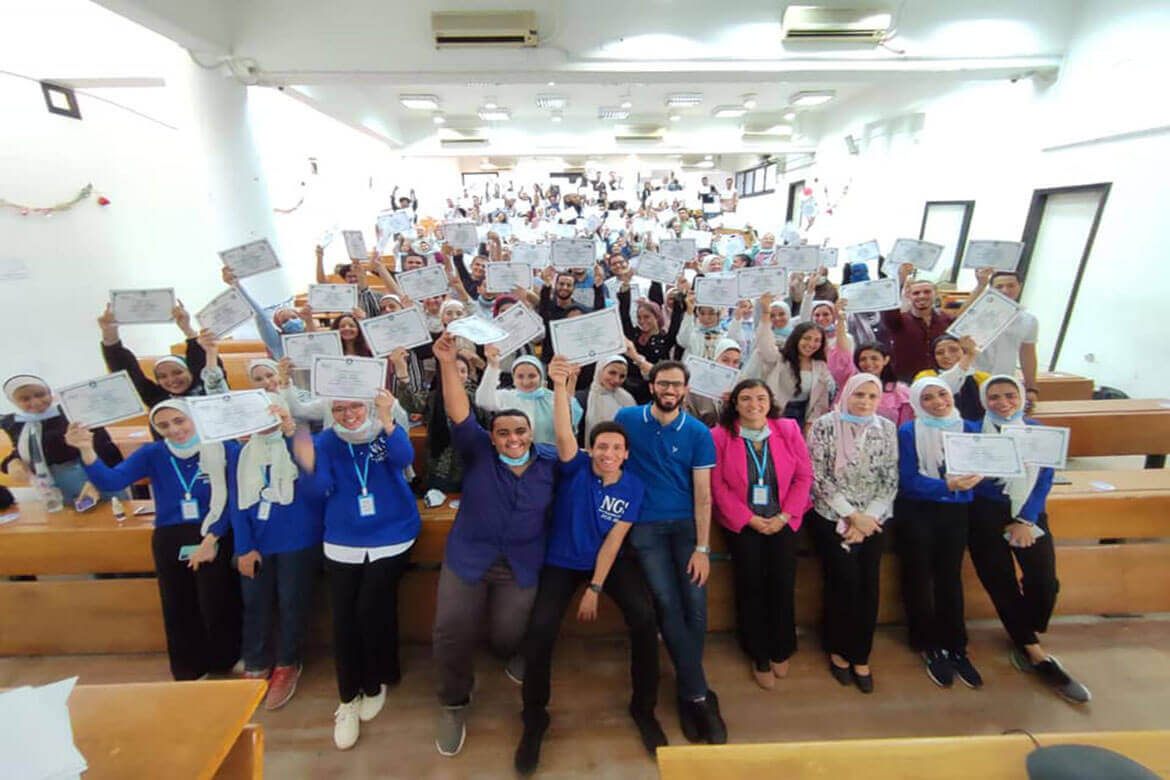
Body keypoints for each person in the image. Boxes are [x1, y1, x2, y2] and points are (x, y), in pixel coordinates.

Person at [514, 357, 663, 774]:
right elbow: (563, 432)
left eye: (617, 447)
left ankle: (644, 709)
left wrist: (596, 587)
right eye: (602, 446)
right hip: (561, 562)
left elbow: (615, 540)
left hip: (608, 564)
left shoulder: (634, 486)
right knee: (541, 628)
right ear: (591, 449)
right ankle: (534, 718)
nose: (609, 453)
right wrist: (560, 384)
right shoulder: (576, 466)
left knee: (643, 616)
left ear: (626, 453)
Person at [431, 331, 559, 758]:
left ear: (530, 431)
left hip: (521, 565)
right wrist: (449, 363)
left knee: (508, 636)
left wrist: (564, 386)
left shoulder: (549, 462)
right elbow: (460, 414)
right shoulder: (478, 451)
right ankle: (453, 702)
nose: (513, 439)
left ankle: (510, 653)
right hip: (468, 560)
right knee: (450, 630)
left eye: (519, 431)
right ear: (493, 437)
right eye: (503, 432)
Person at [66, 400, 241, 680]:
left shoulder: (224, 447)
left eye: (179, 421)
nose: (174, 430)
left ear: (193, 418)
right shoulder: (153, 453)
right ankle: (189, 668)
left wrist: (212, 538)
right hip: (171, 534)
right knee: (177, 604)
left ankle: (224, 660)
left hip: (214, 531)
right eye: (164, 425)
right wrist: (87, 449)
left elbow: (234, 497)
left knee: (218, 600)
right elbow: (112, 482)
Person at [291, 389, 420, 750]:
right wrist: (305, 459)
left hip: (394, 533)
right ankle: (348, 697)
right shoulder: (324, 441)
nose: (348, 413)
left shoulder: (385, 430)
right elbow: (319, 491)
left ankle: (377, 680)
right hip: (344, 536)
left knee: (370, 608)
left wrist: (387, 415)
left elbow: (404, 459)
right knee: (344, 618)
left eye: (354, 406)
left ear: (367, 405)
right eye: (339, 408)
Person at [614, 362, 727, 745]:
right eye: (663, 383)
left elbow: (703, 493)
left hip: (685, 527)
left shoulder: (697, 432)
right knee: (665, 602)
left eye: (676, 385)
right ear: (652, 385)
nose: (669, 389)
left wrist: (702, 547)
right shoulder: (627, 418)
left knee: (695, 602)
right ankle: (696, 694)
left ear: (685, 389)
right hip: (644, 526)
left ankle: (687, 686)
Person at [967, 375, 1091, 703]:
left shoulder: (1038, 432)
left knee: (1045, 582)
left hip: (1029, 514)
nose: (1002, 402)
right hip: (984, 516)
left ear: (1022, 397)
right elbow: (966, 475)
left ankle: (1026, 630)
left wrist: (1024, 520)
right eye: (993, 397)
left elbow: (1045, 479)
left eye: (1009, 395)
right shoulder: (970, 431)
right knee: (1001, 583)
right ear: (984, 400)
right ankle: (1032, 649)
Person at [710, 379, 812, 690]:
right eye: (746, 398)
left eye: (760, 397)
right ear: (735, 404)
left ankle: (782, 647)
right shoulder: (719, 435)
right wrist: (749, 519)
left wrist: (784, 516)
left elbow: (804, 475)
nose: (754, 404)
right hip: (744, 524)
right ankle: (758, 653)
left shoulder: (788, 429)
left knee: (782, 584)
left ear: (770, 401)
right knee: (750, 586)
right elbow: (717, 486)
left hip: (784, 520)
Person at [807, 373, 899, 694]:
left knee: (868, 586)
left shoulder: (886, 429)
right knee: (843, 583)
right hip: (832, 515)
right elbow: (817, 477)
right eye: (859, 394)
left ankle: (861, 654)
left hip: (873, 520)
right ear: (847, 393)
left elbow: (889, 479)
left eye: (872, 397)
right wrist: (851, 516)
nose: (865, 402)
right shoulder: (824, 426)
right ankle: (837, 649)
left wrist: (867, 518)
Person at [227, 397, 321, 710]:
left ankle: (287, 663)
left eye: (270, 415)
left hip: (298, 540)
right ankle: (255, 663)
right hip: (257, 542)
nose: (265, 422)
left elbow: (313, 477)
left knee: (292, 603)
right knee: (255, 604)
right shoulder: (242, 453)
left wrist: (291, 430)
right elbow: (237, 505)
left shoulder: (303, 439)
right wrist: (243, 547)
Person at [895, 377, 984, 689]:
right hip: (917, 510)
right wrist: (945, 485)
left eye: (942, 394)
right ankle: (928, 645)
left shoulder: (970, 429)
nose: (937, 402)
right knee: (918, 576)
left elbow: (987, 467)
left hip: (956, 510)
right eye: (928, 397)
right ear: (919, 402)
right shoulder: (909, 431)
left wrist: (979, 476)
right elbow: (906, 480)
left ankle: (956, 645)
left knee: (949, 576)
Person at [2, 374, 123, 505]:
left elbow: (103, 446)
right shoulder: (16, 423)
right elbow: (25, 449)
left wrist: (98, 480)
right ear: (13, 401)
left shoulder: (72, 412)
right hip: (53, 486)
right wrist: (12, 462)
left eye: (40, 395)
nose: (35, 402)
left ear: (50, 392)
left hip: (90, 477)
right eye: (25, 399)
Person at [97, 302, 219, 408]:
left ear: (190, 371)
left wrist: (186, 328)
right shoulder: (157, 397)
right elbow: (127, 371)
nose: (171, 380)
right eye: (162, 376)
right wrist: (109, 331)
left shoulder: (210, 385)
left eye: (178, 372)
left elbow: (203, 360)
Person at [960, 270, 1040, 411]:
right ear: (991, 289)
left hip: (1004, 379)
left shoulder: (1029, 320)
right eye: (999, 286)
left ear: (1019, 287)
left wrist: (1031, 388)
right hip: (972, 379)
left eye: (1010, 286)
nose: (1005, 290)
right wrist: (980, 285)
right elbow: (957, 321)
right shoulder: (976, 313)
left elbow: (1027, 355)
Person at [746, 314, 834, 433]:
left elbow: (821, 400)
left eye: (817, 340)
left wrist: (810, 424)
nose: (811, 344)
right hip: (776, 414)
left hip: (803, 416)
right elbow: (764, 344)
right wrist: (766, 313)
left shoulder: (820, 366)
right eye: (806, 338)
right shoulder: (780, 359)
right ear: (797, 338)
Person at [476, 352, 583, 445]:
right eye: (520, 376)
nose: (526, 382)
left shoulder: (554, 398)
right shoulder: (506, 396)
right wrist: (493, 366)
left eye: (532, 376)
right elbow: (482, 400)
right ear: (513, 378)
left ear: (541, 376)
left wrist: (572, 379)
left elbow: (571, 417)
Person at [881, 266, 954, 382]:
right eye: (916, 293)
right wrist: (900, 280)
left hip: (941, 380)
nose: (921, 296)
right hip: (906, 382)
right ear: (909, 295)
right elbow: (889, 307)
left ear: (936, 294)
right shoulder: (898, 321)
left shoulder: (946, 320)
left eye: (927, 292)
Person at [617, 282, 684, 403]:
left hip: (652, 394)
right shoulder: (634, 334)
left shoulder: (666, 339)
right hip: (628, 392)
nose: (642, 321)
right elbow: (624, 314)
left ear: (657, 317)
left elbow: (676, 321)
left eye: (647, 317)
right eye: (639, 317)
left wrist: (680, 294)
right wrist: (625, 287)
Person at [830, 342, 914, 425]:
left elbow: (905, 424)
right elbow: (842, 355)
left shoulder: (900, 392)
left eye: (874, 358)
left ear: (885, 360)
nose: (868, 363)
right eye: (863, 359)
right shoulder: (849, 384)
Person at [915, 335, 989, 421]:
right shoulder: (925, 376)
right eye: (940, 353)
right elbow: (939, 387)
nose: (946, 355)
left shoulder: (983, 378)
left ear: (963, 352)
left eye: (953, 350)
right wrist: (967, 360)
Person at [684, 338, 742, 427]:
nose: (730, 366)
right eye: (725, 360)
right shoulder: (697, 384)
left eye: (735, 362)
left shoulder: (740, 389)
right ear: (715, 359)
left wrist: (733, 402)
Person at [582, 353, 636, 441]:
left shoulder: (627, 399)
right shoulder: (583, 399)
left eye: (622, 376)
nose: (616, 380)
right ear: (600, 370)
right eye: (612, 373)